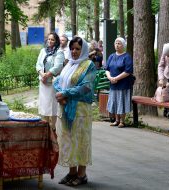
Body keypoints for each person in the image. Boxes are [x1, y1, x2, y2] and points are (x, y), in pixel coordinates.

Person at [53, 36, 96, 186]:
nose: (74, 51)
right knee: (67, 140)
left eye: (77, 48)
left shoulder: (88, 65)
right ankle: (71, 172)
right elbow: (57, 81)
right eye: (72, 48)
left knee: (81, 141)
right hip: (65, 107)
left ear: (83, 49)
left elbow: (86, 87)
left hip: (80, 110)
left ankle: (82, 174)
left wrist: (66, 94)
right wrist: (60, 93)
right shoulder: (69, 64)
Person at [36, 32, 64, 130]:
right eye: (49, 39)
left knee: (52, 106)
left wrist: (47, 75)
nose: (50, 41)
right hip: (43, 82)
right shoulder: (43, 51)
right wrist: (42, 74)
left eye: (52, 39)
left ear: (56, 41)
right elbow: (38, 64)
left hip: (52, 82)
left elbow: (58, 66)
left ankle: (53, 127)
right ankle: (45, 125)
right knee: (44, 105)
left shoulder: (59, 52)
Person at [105, 37, 133, 128]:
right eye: (116, 43)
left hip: (123, 84)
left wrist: (116, 78)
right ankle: (116, 120)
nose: (117, 45)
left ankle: (122, 121)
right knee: (115, 101)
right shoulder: (111, 56)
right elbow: (107, 69)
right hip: (113, 83)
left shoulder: (127, 56)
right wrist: (110, 78)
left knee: (122, 101)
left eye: (119, 43)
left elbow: (128, 71)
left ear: (123, 45)